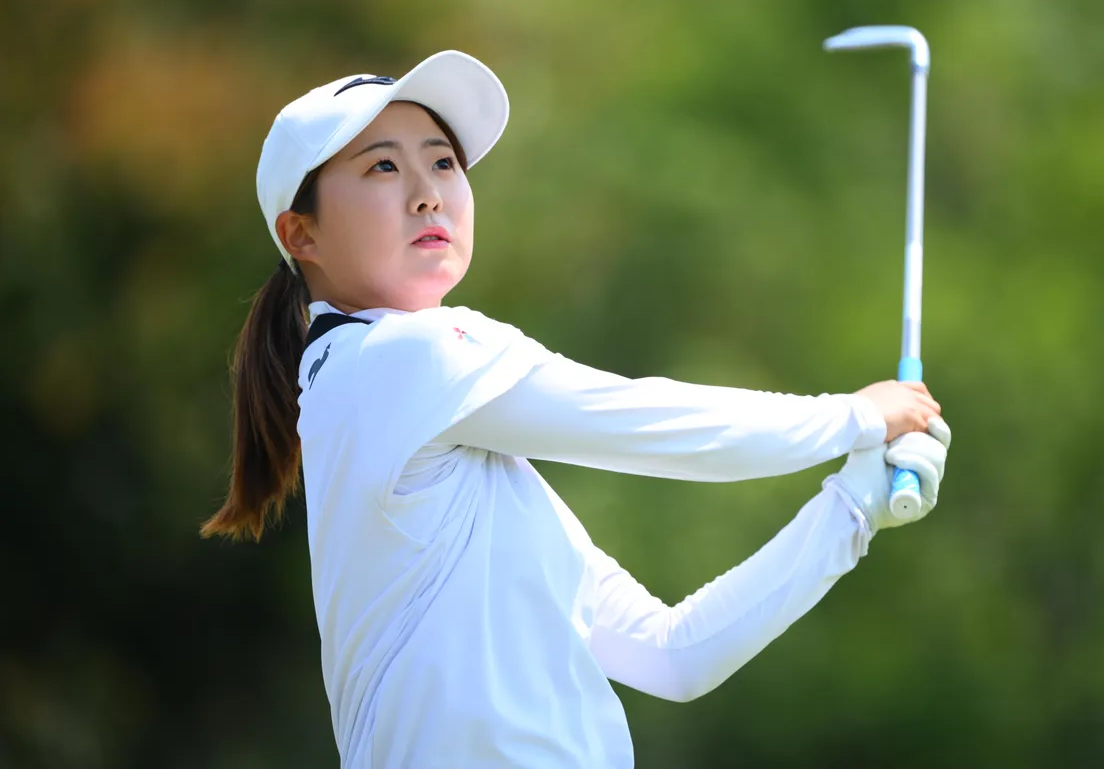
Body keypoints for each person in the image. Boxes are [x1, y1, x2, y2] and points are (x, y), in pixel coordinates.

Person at [201, 50, 954, 768]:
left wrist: (853, 508)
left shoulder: (431, 428)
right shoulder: (403, 358)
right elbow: (649, 424)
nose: (427, 192)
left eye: (443, 162)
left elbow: (672, 654)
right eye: (383, 166)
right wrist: (854, 417)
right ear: (302, 233)